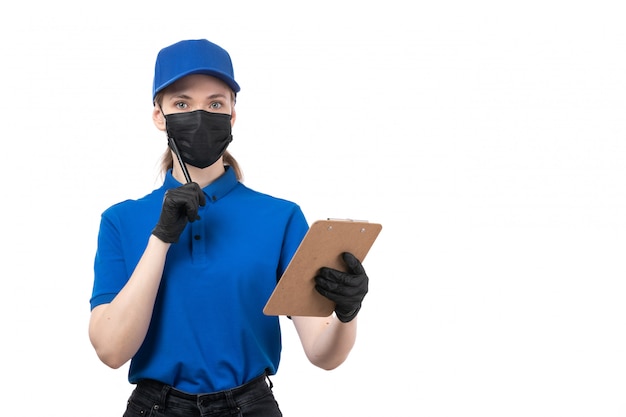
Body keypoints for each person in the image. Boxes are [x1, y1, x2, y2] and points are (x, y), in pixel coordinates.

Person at [88, 38, 370, 417]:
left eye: (215, 103)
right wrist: (161, 238)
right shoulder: (120, 220)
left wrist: (346, 313)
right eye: (182, 103)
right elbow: (111, 350)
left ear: (233, 114)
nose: (200, 115)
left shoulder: (281, 217)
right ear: (159, 115)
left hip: (250, 407)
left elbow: (323, 353)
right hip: (155, 408)